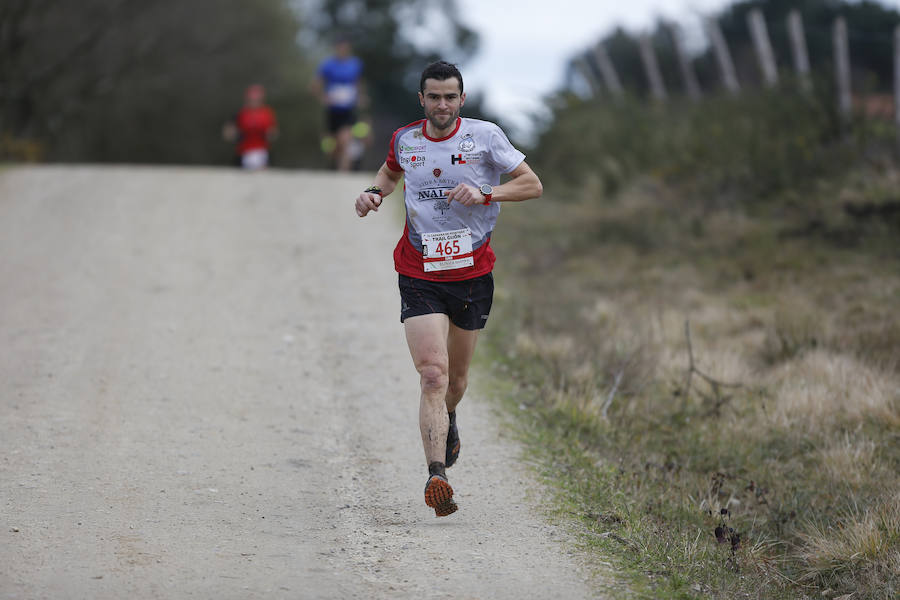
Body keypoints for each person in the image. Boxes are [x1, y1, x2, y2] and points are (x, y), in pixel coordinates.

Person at [353, 61, 543, 517]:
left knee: (456, 382)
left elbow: (532, 185)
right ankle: (437, 475)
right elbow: (389, 173)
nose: (442, 105)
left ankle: (449, 418)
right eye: (433, 96)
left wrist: (486, 193)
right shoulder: (406, 139)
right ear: (421, 99)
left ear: (463, 98)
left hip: (472, 274)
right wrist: (373, 193)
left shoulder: (486, 137)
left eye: (450, 97)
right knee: (433, 374)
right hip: (418, 271)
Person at [312, 38, 365, 171]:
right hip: (332, 110)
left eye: (345, 47)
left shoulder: (355, 64)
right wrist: (323, 98)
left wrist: (360, 97)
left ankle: (343, 174)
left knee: (345, 139)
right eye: (340, 47)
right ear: (336, 48)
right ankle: (333, 167)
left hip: (348, 109)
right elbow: (315, 84)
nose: (343, 50)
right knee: (333, 145)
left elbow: (358, 83)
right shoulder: (328, 65)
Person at [222, 84, 278, 170]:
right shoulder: (241, 113)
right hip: (243, 152)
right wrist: (235, 135)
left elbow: (273, 133)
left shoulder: (267, 113)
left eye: (257, 99)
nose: (254, 101)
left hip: (261, 151)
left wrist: (269, 134)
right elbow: (228, 133)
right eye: (252, 99)